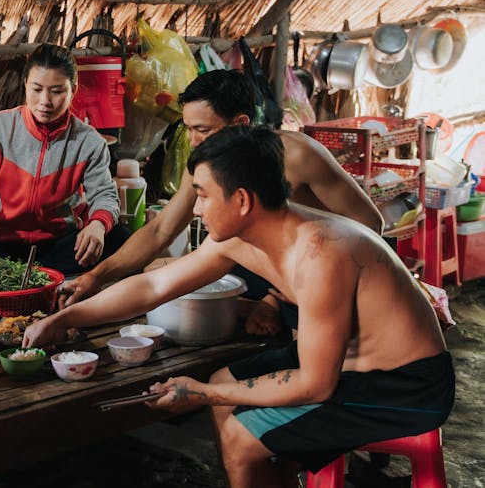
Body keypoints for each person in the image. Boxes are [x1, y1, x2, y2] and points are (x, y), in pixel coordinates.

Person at [25, 126, 453, 487]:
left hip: (405, 385)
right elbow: (154, 285)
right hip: (351, 366)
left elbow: (316, 384)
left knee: (242, 434)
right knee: (226, 383)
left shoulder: (323, 254)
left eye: (203, 195)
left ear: (242, 200)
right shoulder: (241, 236)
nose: (195, 209)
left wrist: (203, 394)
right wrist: (66, 317)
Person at [60, 70, 383, 334]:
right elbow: (161, 230)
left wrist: (281, 292)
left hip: (318, 273)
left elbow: (371, 226)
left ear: (241, 123)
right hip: (252, 268)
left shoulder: (296, 154)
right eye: (187, 129)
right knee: (158, 270)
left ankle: (270, 314)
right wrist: (96, 276)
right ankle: (256, 311)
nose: (193, 141)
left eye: (202, 129)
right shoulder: (206, 162)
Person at [0, 43, 129, 276]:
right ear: (26, 84)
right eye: (36, 89)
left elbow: (105, 196)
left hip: (56, 246)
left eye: (57, 91)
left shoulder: (89, 142)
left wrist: (98, 225)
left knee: (120, 238)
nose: (45, 101)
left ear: (74, 89)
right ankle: (34, 275)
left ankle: (25, 274)